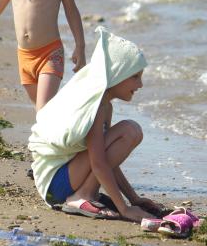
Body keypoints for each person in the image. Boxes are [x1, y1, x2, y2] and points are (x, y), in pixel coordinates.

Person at [28, 27, 167, 222]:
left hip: (62, 181)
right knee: (129, 130)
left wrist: (133, 199)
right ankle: (82, 195)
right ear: (116, 75)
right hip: (55, 185)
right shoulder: (96, 108)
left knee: (129, 131)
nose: (140, 84)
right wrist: (124, 209)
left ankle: (84, 193)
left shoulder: (105, 107)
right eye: (135, 76)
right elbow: (99, 164)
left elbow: (107, 159)